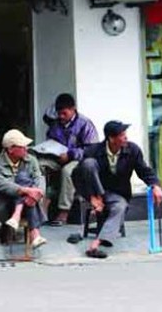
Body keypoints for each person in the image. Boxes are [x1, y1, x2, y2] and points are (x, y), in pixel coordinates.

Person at [72, 121, 162, 259]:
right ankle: (99, 199)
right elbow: (77, 176)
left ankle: (96, 244)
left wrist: (155, 185)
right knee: (88, 164)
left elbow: (144, 171)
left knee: (120, 207)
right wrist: (92, 197)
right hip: (95, 192)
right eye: (121, 135)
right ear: (111, 138)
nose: (126, 137)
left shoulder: (132, 150)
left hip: (117, 193)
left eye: (125, 134)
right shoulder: (93, 151)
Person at [40, 93, 99, 225]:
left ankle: (64, 211)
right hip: (58, 157)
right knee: (38, 165)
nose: (61, 116)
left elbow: (91, 149)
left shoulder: (85, 124)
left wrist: (71, 154)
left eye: (64, 113)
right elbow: (51, 140)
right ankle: (40, 204)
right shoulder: (56, 123)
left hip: (79, 160)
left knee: (67, 171)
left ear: (73, 109)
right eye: (59, 113)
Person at [0, 129, 48, 249]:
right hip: (6, 204)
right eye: (22, 146)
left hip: (30, 202)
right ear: (10, 149)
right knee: (23, 178)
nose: (26, 149)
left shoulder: (31, 160)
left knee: (24, 179)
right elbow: (1, 184)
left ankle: (17, 215)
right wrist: (27, 191)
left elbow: (39, 178)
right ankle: (35, 234)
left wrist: (36, 194)